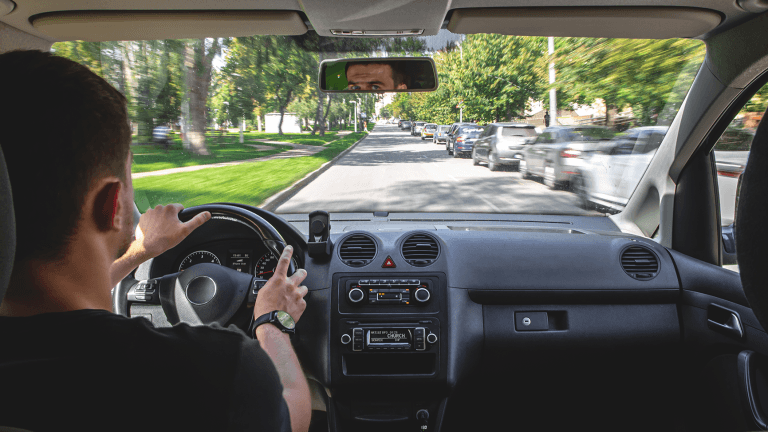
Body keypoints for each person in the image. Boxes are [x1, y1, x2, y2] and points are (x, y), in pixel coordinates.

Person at [0, 50, 311, 432]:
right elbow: (292, 411)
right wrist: (271, 321)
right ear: (113, 205)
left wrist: (141, 253)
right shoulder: (219, 371)